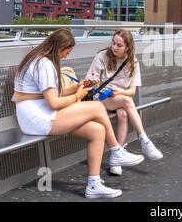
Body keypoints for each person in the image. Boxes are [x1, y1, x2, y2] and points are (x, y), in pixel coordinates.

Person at [12, 28, 132, 199]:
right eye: (67, 51)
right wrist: (78, 96)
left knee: (97, 131)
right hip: (37, 118)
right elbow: (53, 103)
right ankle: (116, 151)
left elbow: (53, 95)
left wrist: (76, 87)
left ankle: (93, 185)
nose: (66, 56)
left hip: (41, 113)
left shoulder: (40, 59)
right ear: (59, 48)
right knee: (97, 107)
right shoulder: (44, 64)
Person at [86, 29, 163, 176]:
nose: (114, 47)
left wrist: (119, 93)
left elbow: (132, 91)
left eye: (119, 45)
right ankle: (144, 141)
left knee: (123, 114)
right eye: (113, 43)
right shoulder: (102, 56)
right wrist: (95, 83)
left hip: (118, 99)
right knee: (126, 102)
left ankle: (117, 159)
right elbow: (91, 83)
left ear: (128, 47)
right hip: (100, 98)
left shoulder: (133, 62)